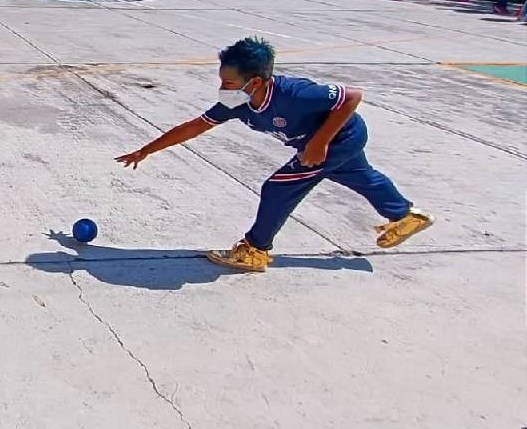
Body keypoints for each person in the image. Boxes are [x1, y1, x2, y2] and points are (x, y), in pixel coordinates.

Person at [116, 37, 433, 272]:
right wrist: (146, 150)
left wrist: (320, 142)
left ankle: (254, 250)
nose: (223, 86)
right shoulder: (236, 102)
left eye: (228, 81)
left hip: (340, 138)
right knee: (362, 177)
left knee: (278, 187)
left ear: (254, 81)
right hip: (327, 143)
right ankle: (406, 216)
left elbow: (351, 97)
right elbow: (195, 126)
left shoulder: (295, 93)